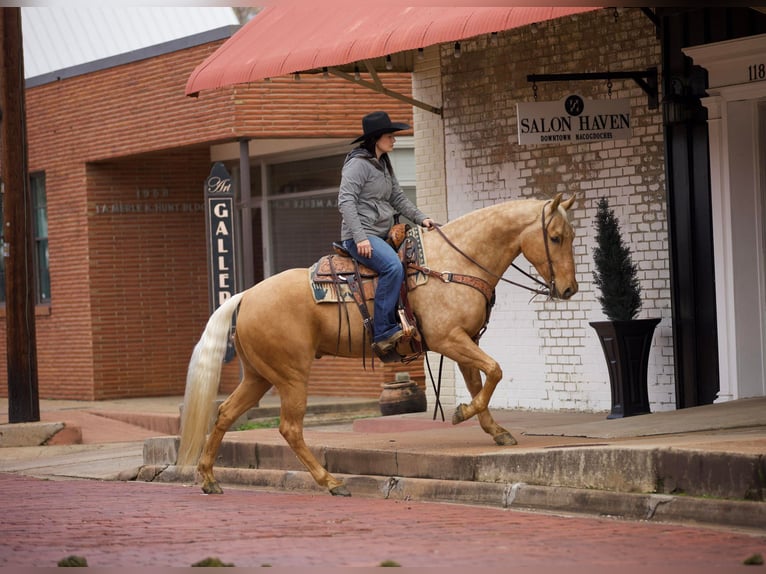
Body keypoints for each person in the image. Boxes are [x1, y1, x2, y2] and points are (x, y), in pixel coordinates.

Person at [338, 111, 434, 353]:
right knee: (392, 266)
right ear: (377, 138)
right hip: (360, 236)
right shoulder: (358, 165)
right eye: (390, 136)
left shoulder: (383, 164)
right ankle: (383, 331)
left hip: (379, 234)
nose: (394, 140)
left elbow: (398, 198)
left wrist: (422, 219)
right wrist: (359, 237)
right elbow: (345, 201)